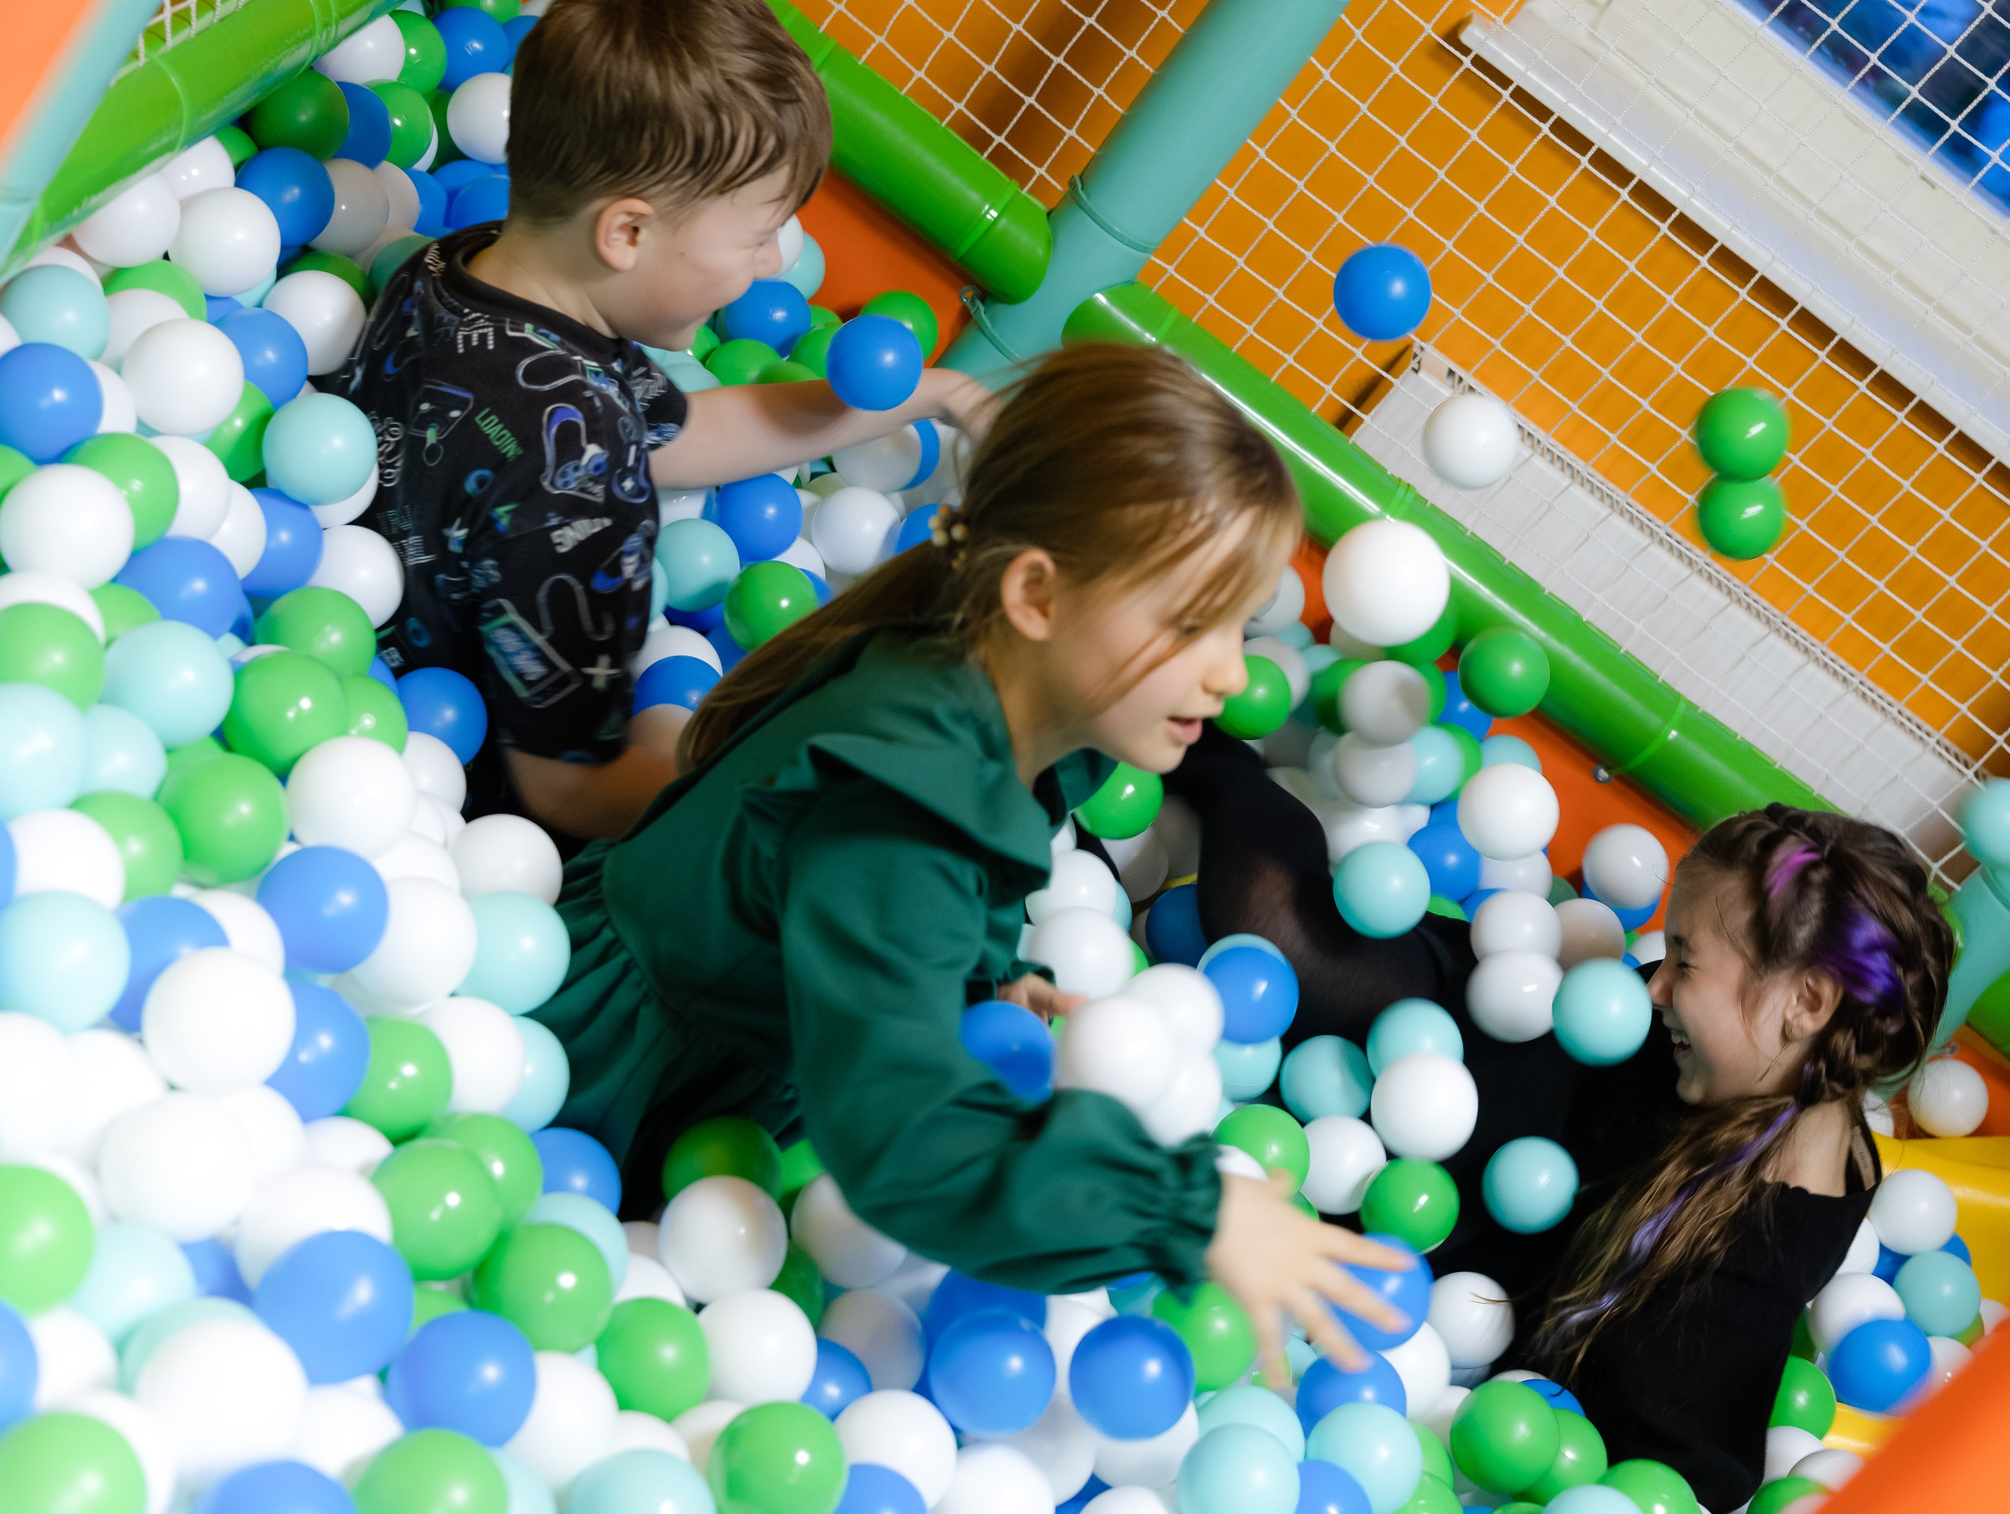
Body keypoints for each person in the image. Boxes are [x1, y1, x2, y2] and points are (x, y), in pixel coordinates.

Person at [532, 344, 1408, 1376]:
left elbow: (886, 915)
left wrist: (979, 986)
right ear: (1037, 595)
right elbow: (906, 1143)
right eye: (1186, 624)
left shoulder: (981, 686)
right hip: (605, 1095)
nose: (1229, 674)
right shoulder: (909, 794)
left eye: (1236, 626)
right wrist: (1193, 1213)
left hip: (737, 1074)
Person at [1168, 741, 1950, 1511]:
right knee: (1276, 917)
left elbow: (1678, 1478)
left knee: (1278, 931)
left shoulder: (1727, 1282)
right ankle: (1204, 746)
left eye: (1686, 961)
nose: (1655, 986)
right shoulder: (1802, 1075)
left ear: (1808, 1004)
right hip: (1515, 1051)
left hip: (1472, 1208)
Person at [343, 0, 993, 843]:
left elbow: (679, 434)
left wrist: (928, 394)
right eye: (760, 236)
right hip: (462, 815)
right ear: (628, 233)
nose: (776, 263)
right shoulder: (579, 473)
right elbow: (568, 794)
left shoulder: (459, 270)